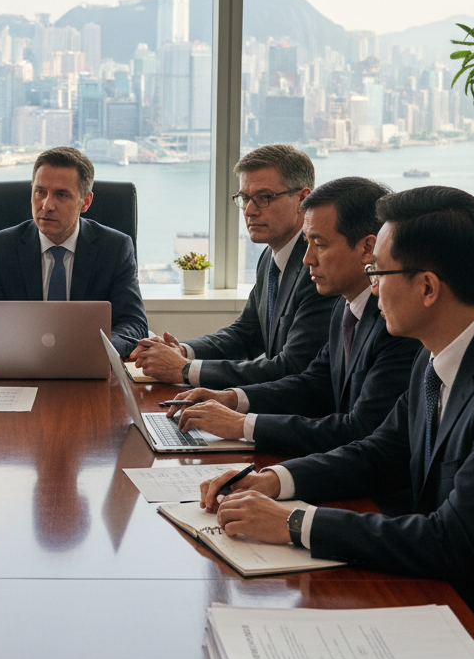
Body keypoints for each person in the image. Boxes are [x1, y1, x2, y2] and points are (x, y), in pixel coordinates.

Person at [199, 186, 474, 659]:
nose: (371, 287)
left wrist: (294, 523)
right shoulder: (439, 346)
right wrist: (274, 479)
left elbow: (452, 540)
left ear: (428, 287)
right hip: (430, 595)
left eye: (378, 273)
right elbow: (380, 449)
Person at [168, 177, 421, 470]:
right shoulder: (345, 306)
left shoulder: (398, 323)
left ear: (367, 249)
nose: (307, 259)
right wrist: (231, 398)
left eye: (320, 244)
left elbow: (359, 429)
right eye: (307, 243)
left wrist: (243, 425)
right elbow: (314, 383)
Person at [130, 144, 336, 386]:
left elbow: (291, 367)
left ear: (302, 199)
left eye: (263, 198)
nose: (249, 211)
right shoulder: (271, 256)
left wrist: (186, 370)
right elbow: (246, 333)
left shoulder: (319, 269)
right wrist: (183, 351)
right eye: (245, 198)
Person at [0, 146, 148, 362]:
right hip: (18, 368)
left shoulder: (115, 248)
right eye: (40, 192)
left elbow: (134, 324)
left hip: (89, 370)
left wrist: (98, 350)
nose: (47, 205)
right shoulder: (0, 247)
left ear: (85, 202)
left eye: (61, 194)